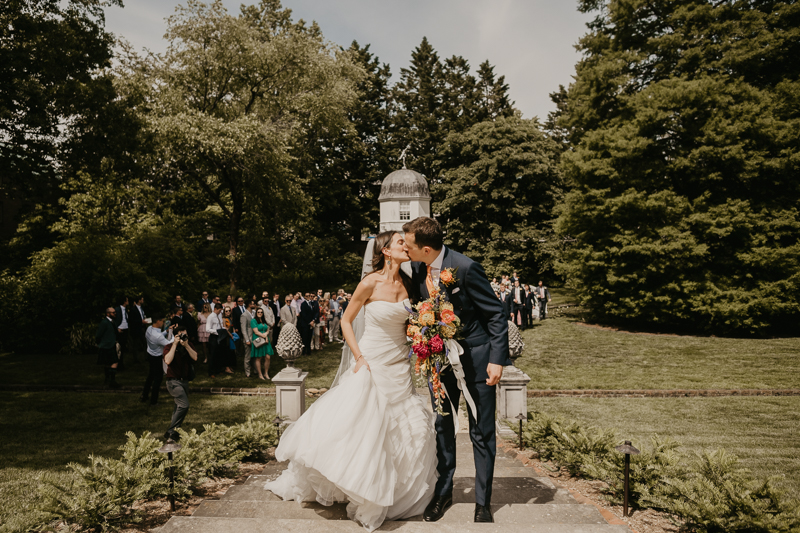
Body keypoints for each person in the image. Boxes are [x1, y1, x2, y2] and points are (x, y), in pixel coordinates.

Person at [264, 230, 437, 531]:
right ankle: (362, 486)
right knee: (365, 425)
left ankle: (396, 492)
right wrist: (359, 357)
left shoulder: (410, 283)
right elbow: (345, 321)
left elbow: (419, 319)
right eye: (400, 242)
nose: (405, 246)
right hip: (372, 360)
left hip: (400, 366)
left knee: (408, 427)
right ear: (385, 251)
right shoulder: (369, 283)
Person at [403, 216, 510, 524]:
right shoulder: (415, 268)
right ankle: (444, 492)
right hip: (439, 362)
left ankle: (482, 501)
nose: (406, 250)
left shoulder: (465, 268)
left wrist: (497, 359)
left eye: (409, 245)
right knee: (442, 425)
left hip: (476, 359)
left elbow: (496, 316)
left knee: (481, 430)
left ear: (425, 248)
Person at [163, 324, 198, 441]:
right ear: (175, 336)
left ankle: (174, 433)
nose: (184, 337)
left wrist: (187, 345)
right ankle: (171, 430)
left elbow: (195, 358)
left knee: (178, 407)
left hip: (184, 381)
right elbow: (167, 360)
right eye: (181, 335)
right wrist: (175, 344)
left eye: (185, 335)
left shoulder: (189, 345)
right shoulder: (168, 346)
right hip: (173, 381)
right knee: (184, 405)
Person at [142, 313, 174, 405]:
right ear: (158, 321)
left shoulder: (149, 329)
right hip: (157, 358)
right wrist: (174, 337)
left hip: (150, 354)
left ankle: (144, 395)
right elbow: (168, 344)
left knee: (150, 376)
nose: (163, 323)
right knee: (158, 379)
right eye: (163, 321)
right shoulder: (158, 336)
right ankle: (153, 401)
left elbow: (159, 335)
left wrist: (166, 331)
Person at [95, 307, 120, 389]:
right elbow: (98, 335)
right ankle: (112, 380)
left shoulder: (112, 322)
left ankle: (108, 380)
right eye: (113, 312)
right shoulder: (105, 322)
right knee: (114, 362)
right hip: (107, 345)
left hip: (111, 344)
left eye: (115, 312)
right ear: (108, 314)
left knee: (108, 363)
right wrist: (100, 343)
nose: (115, 313)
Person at [250, 307, 273, 380]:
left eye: (261, 312)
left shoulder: (263, 320)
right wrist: (265, 337)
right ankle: (260, 374)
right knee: (259, 357)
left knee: (268, 357)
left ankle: (266, 373)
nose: (260, 313)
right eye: (258, 312)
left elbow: (268, 329)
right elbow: (256, 331)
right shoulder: (253, 321)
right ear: (256, 313)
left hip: (266, 340)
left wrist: (266, 334)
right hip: (258, 340)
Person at [206, 304, 224, 377]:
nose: (220, 312)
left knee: (219, 354)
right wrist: (216, 331)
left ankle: (218, 370)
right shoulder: (210, 317)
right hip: (214, 337)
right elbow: (207, 329)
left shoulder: (219, 315)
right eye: (219, 310)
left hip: (220, 336)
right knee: (213, 354)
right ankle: (211, 372)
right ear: (216, 309)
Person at [113, 297, 130, 370]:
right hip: (120, 329)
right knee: (118, 348)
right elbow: (113, 320)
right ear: (124, 301)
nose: (128, 302)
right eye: (127, 300)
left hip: (125, 329)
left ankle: (121, 364)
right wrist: (117, 328)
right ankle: (117, 364)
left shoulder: (126, 310)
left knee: (123, 347)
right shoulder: (117, 309)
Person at [240, 300, 255, 378]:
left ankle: (255, 370)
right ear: (249, 305)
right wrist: (247, 340)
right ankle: (247, 372)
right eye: (253, 304)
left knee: (254, 356)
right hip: (248, 338)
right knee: (248, 356)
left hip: (255, 338)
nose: (254, 305)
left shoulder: (254, 313)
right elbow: (243, 329)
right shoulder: (244, 315)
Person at [221, 307, 236, 374]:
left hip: (231, 336)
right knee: (226, 352)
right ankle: (226, 368)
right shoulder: (224, 319)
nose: (228, 312)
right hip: (226, 337)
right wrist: (230, 335)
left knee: (231, 351)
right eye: (226, 311)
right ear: (224, 312)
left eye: (229, 311)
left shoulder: (231, 318)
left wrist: (234, 333)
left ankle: (230, 366)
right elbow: (225, 328)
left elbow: (233, 327)